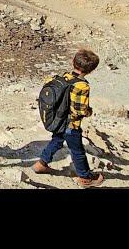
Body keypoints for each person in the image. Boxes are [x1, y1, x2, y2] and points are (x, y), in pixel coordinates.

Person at [32, 49, 104, 188]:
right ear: (91, 70)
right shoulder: (81, 85)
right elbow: (79, 110)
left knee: (57, 141)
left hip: (57, 120)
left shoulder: (61, 78)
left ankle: (41, 164)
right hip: (71, 125)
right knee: (77, 150)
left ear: (73, 62)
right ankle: (85, 177)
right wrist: (89, 112)